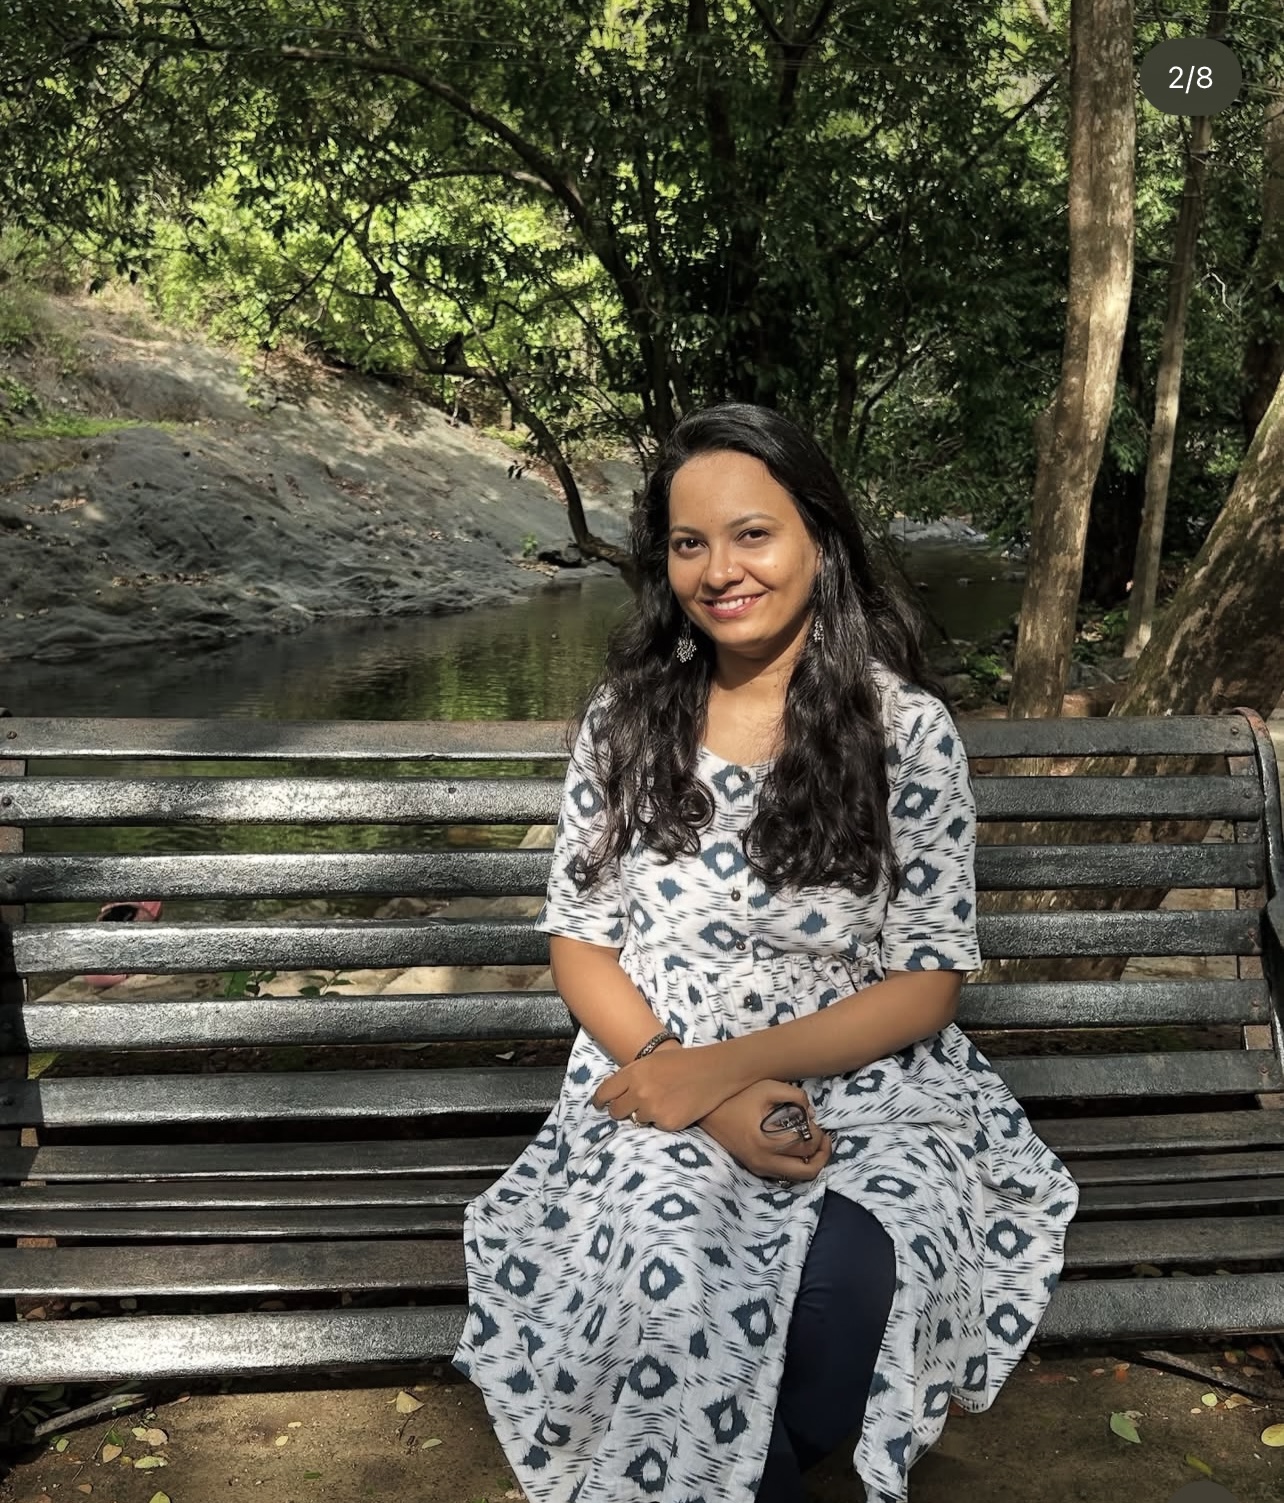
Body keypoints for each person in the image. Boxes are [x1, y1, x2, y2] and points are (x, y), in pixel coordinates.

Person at [452, 403, 1079, 1503]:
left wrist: (732, 1071)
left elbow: (926, 982)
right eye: (689, 543)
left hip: (870, 1075)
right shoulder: (626, 722)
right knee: (669, 1273)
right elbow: (582, 945)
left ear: (820, 541)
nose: (719, 570)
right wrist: (684, 1076)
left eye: (753, 534)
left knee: (853, 1283)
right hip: (649, 1058)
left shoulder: (904, 732)